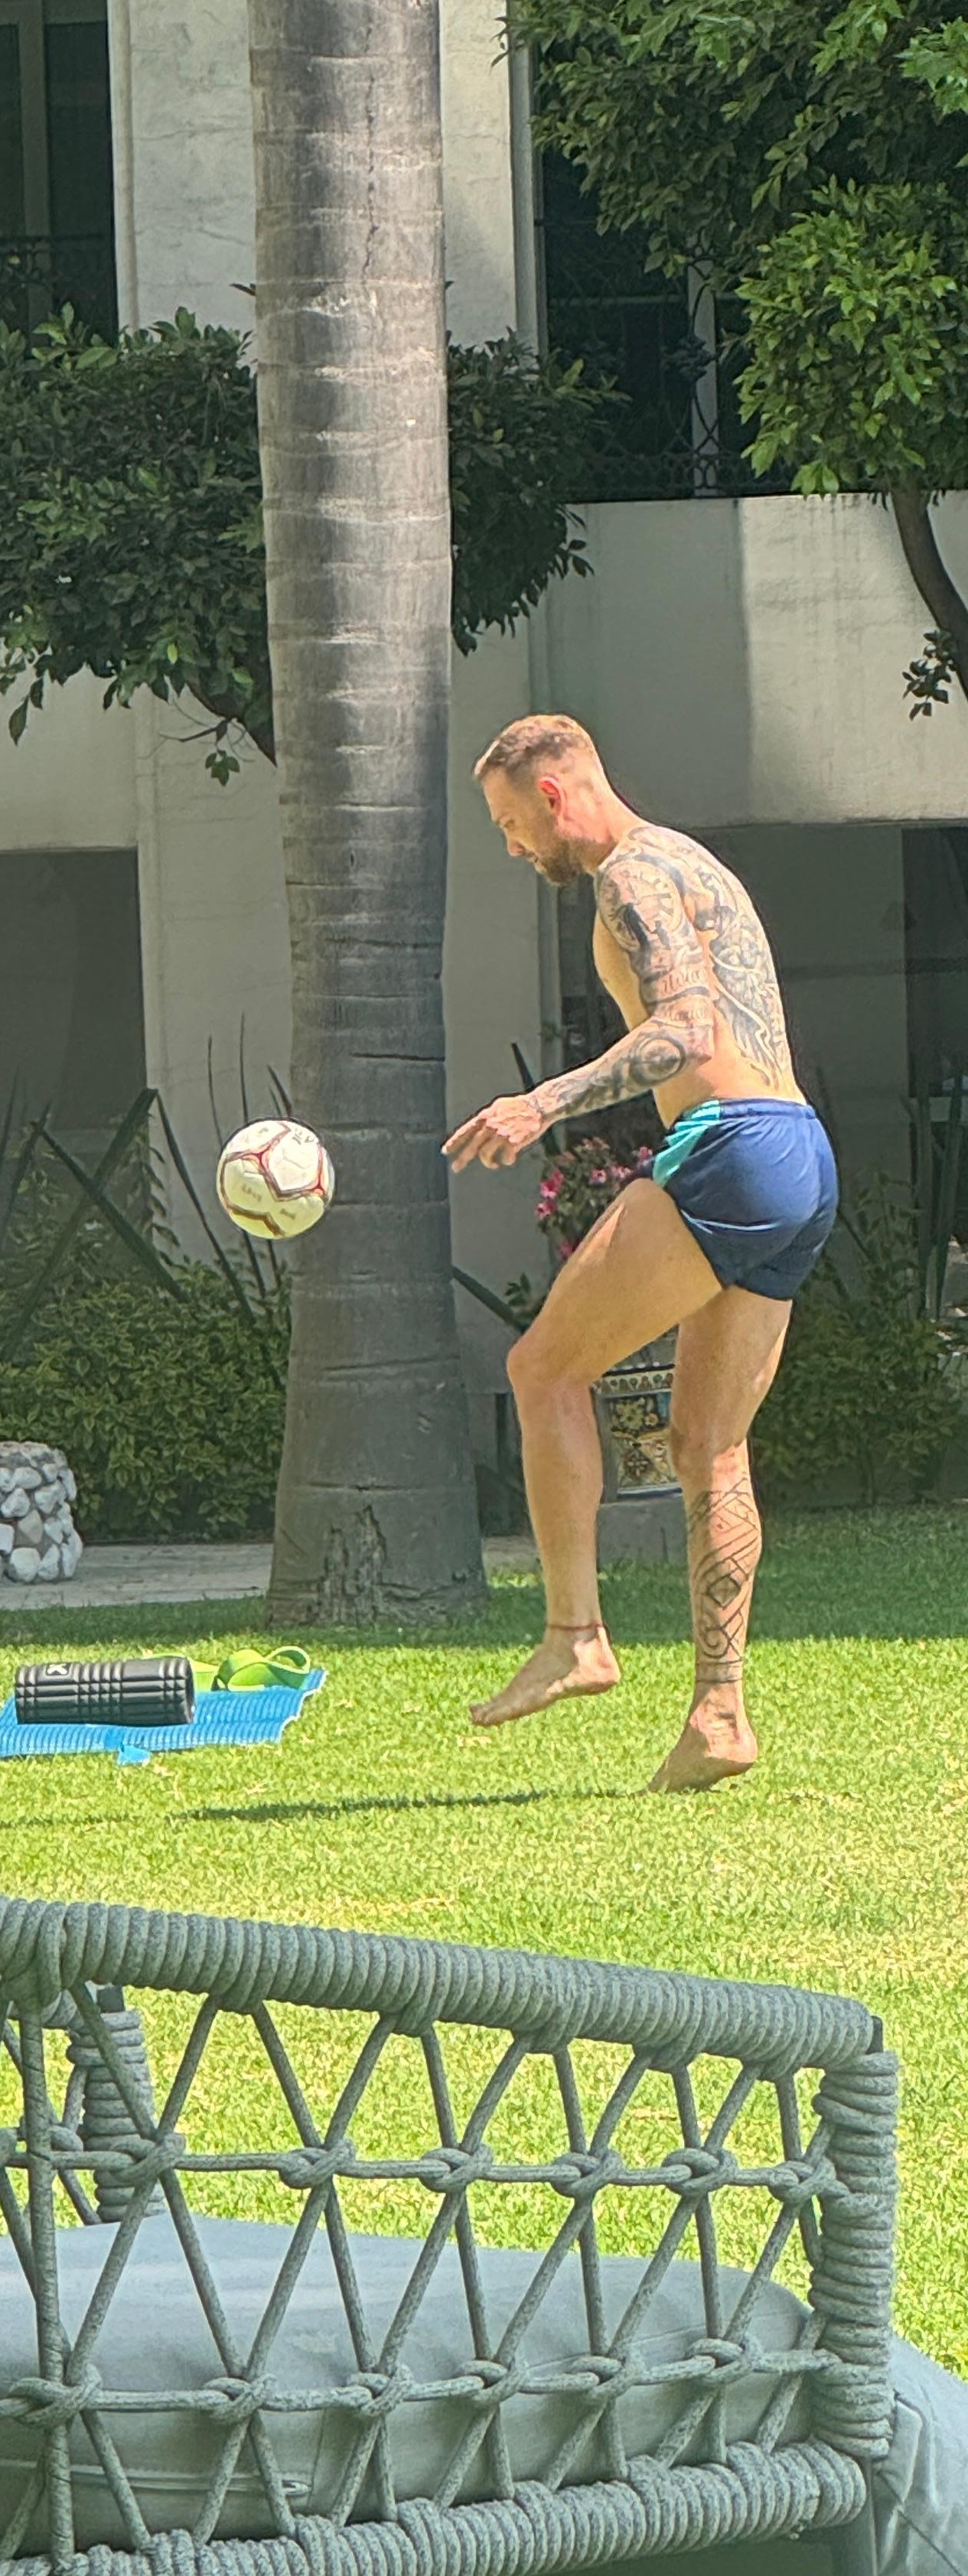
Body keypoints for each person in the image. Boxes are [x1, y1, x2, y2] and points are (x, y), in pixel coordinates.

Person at [445, 715, 836, 1790]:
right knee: (709, 1444)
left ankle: (575, 1635)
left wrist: (543, 1103)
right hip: (800, 1151)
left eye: (511, 822)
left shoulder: (629, 876)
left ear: (553, 795)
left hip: (734, 1147)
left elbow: (685, 1031)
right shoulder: (691, 861)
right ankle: (720, 1716)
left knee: (542, 1370)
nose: (512, 846)